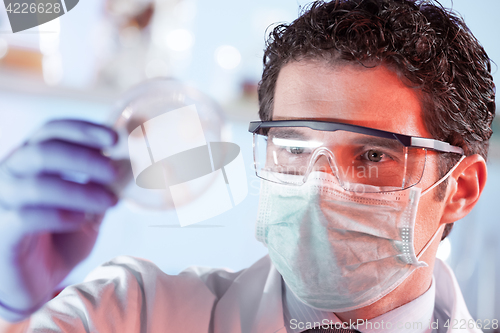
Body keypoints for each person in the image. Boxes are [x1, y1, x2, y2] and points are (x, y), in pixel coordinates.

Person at [0, 0, 495, 332]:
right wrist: (12, 303)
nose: (318, 187)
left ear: (462, 188)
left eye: (372, 155)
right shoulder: (135, 311)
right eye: (295, 148)